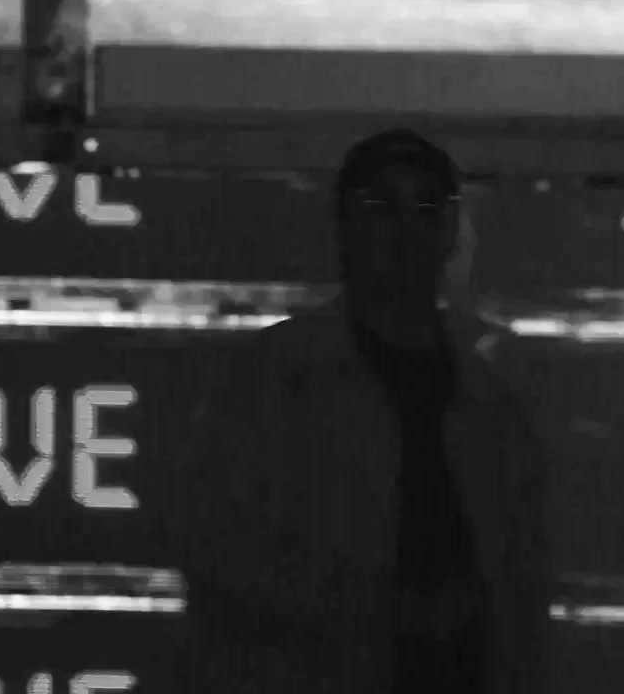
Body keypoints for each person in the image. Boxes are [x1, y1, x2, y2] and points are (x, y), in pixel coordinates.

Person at [162, 129, 549, 692]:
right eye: (383, 207)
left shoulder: (492, 404)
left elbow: (523, 592)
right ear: (344, 227)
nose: (406, 230)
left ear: (449, 232)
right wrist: (369, 609)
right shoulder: (276, 378)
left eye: (425, 209)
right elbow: (213, 544)